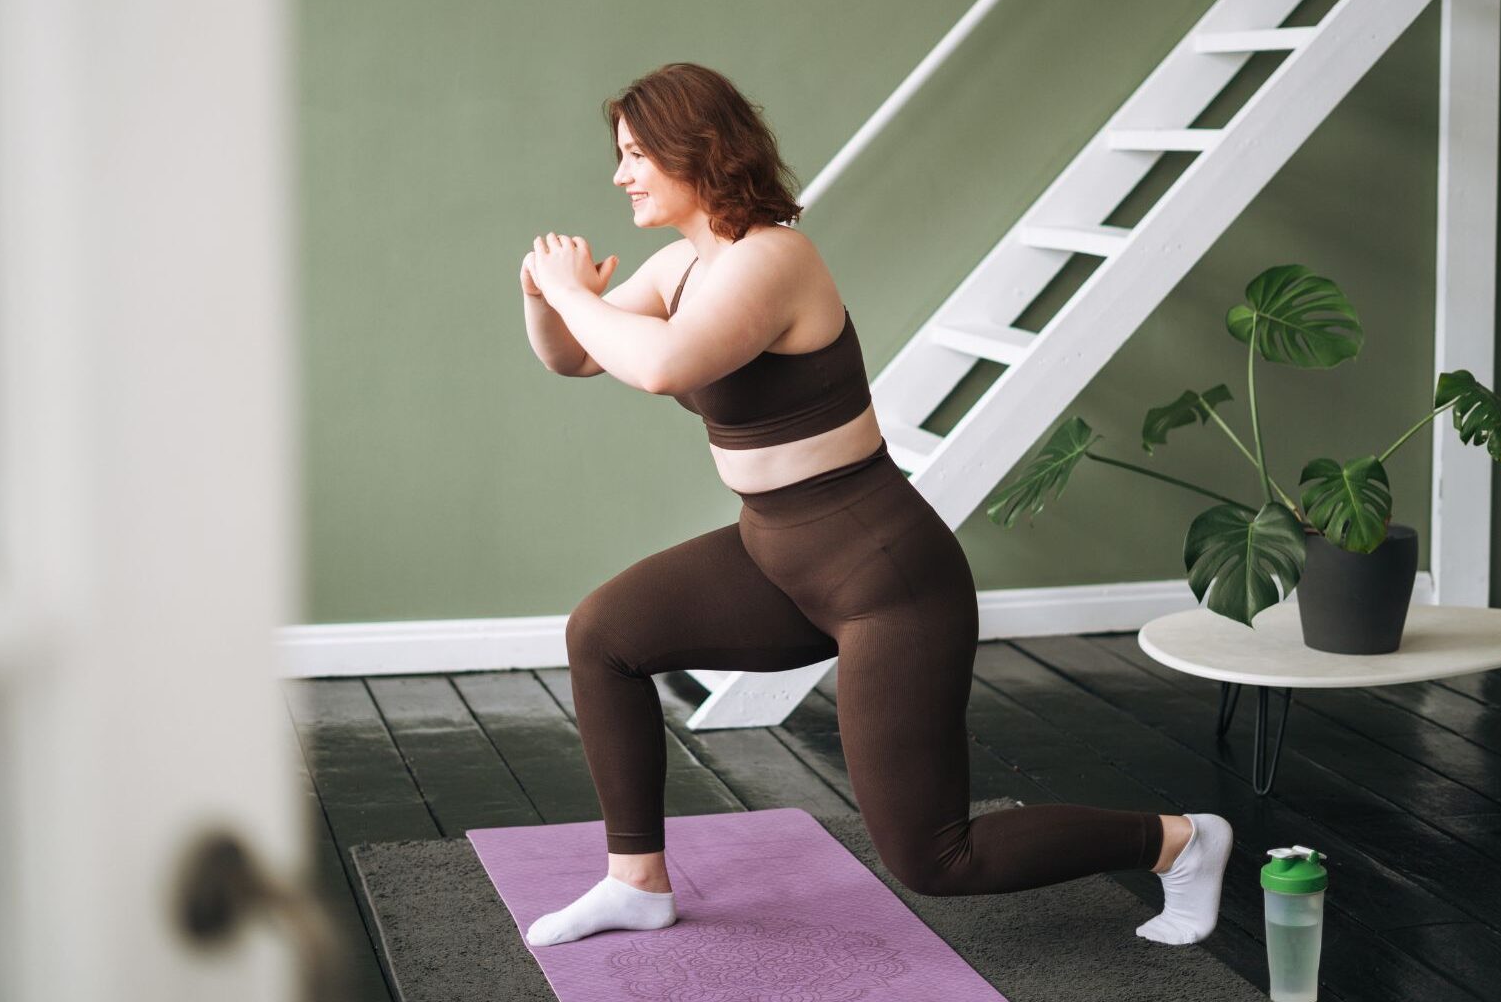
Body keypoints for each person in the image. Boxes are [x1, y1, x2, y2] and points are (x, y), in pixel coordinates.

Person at [516, 62, 1232, 949]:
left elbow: (660, 365)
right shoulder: (680, 268)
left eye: (635, 156)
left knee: (938, 859)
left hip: (884, 578)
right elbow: (573, 357)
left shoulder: (774, 259)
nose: (620, 175)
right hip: (773, 555)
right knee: (603, 634)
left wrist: (577, 295)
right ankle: (636, 883)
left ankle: (1180, 843)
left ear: (692, 149)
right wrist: (540, 296)